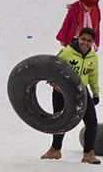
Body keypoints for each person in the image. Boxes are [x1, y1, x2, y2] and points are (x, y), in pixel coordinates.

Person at [41, 27, 100, 164]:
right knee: (61, 121)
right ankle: (55, 150)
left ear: (92, 43)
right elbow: (54, 68)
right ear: (78, 38)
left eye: (89, 41)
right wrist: (52, 81)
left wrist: (95, 93)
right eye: (83, 39)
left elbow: (93, 76)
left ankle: (88, 154)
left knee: (92, 122)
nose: (85, 43)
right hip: (61, 92)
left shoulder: (93, 57)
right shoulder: (67, 52)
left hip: (81, 91)